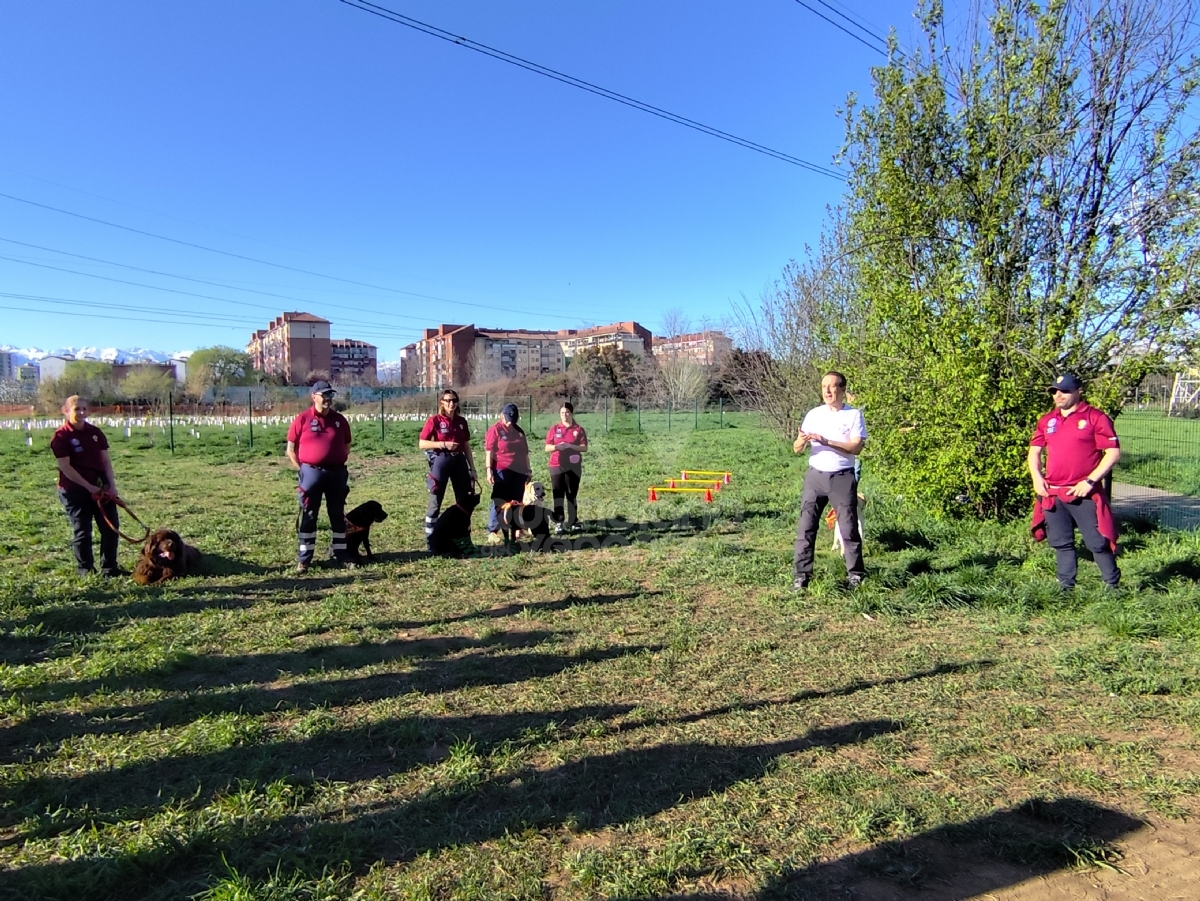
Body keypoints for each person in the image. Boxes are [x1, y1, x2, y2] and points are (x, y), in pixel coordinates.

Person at [1029, 373, 1121, 590]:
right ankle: (1065, 587)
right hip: (1053, 492)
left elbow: (1112, 452)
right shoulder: (1047, 420)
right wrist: (1036, 477)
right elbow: (1035, 450)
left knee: (1097, 542)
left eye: (1065, 391)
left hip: (1083, 492)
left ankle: (1112, 585)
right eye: (1054, 392)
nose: (1058, 395)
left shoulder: (1095, 417)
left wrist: (1090, 481)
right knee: (1061, 542)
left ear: (1079, 391)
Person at [792, 371, 867, 590]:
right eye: (824, 386)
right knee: (806, 527)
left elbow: (856, 447)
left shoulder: (853, 415)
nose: (827, 390)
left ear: (842, 390)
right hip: (815, 477)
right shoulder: (814, 414)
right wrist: (802, 441)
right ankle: (801, 576)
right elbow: (796, 449)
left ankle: (855, 575)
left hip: (842, 477)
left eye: (832, 386)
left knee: (848, 528)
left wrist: (826, 441)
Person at [51, 395, 123, 578]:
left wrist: (111, 486)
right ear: (66, 411)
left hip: (101, 488)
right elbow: (65, 467)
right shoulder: (61, 436)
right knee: (83, 530)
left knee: (110, 527)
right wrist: (89, 487)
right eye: (77, 409)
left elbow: (105, 461)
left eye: (84, 408)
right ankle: (86, 570)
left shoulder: (95, 432)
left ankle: (110, 568)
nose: (82, 412)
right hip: (75, 489)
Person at [286, 381, 353, 573]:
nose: (328, 399)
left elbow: (347, 445)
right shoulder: (303, 419)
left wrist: (336, 459)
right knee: (309, 515)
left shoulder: (340, 420)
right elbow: (291, 449)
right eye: (324, 395)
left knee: (337, 514)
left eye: (330, 395)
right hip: (311, 472)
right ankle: (305, 559)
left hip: (336, 473)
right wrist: (303, 469)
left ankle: (341, 556)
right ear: (313, 397)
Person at [418, 389, 478, 552]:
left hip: (459, 461)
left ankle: (463, 541)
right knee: (435, 500)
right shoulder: (435, 420)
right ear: (442, 402)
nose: (451, 403)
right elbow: (422, 443)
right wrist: (442, 444)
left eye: (454, 400)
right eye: (448, 400)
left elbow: (466, 445)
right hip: (441, 460)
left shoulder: (461, 421)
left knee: (464, 503)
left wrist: (472, 468)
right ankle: (432, 542)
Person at [484, 403, 532, 542]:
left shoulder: (519, 432)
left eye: (512, 419)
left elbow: (525, 453)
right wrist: (489, 470)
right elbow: (489, 451)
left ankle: (516, 529)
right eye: (507, 418)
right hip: (501, 469)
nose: (509, 422)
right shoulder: (495, 430)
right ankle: (493, 531)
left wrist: (528, 470)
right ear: (501, 415)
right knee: (500, 499)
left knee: (517, 500)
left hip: (520, 470)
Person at [545, 401, 588, 534]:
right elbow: (547, 447)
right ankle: (559, 522)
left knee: (571, 493)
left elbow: (584, 447)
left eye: (567, 413)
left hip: (573, 466)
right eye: (562, 413)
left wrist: (570, 446)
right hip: (556, 465)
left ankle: (573, 521)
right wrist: (557, 447)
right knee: (558, 494)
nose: (565, 415)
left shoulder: (578, 429)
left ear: (571, 413)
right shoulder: (554, 429)